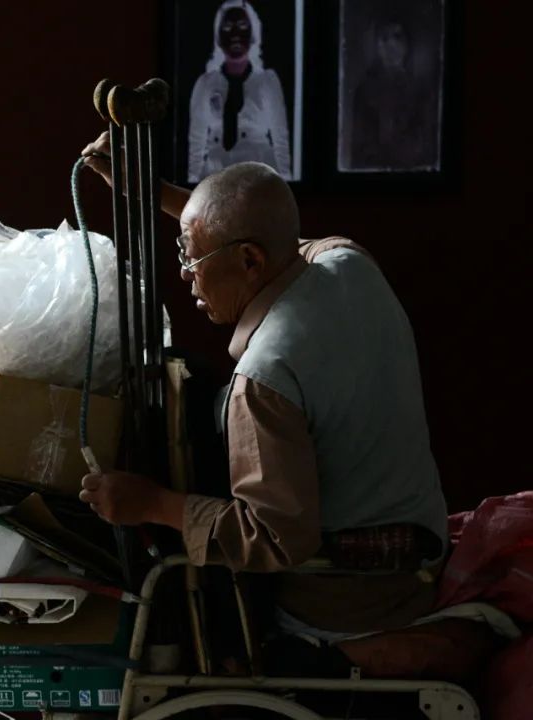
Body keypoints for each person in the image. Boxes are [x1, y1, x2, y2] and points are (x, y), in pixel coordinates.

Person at [80, 135, 448, 646]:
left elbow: (277, 538)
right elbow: (261, 230)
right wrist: (146, 191)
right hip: (423, 556)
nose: (187, 277)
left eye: (191, 260)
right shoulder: (349, 263)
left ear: (249, 261)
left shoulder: (264, 376)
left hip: (354, 599)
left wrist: (152, 504)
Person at [187, 0, 292, 182]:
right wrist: (192, 183)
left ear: (253, 34)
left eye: (243, 26)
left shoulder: (267, 81)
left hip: (259, 171)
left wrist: (286, 181)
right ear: (218, 36)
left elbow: (280, 136)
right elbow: (196, 140)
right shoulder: (205, 84)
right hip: (216, 174)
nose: (235, 34)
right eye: (227, 28)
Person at [347, 14, 437, 170]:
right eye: (384, 38)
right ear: (376, 45)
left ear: (407, 44)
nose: (391, 45)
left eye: (397, 37)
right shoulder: (365, 92)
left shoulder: (420, 92)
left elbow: (426, 144)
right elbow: (361, 147)